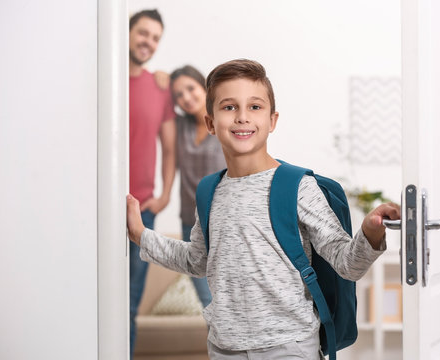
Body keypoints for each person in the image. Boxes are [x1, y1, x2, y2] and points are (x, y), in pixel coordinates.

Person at [126, 59, 400, 359]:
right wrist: (141, 235)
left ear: (272, 120)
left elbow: (347, 264)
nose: (242, 117)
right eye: (229, 107)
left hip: (289, 347)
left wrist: (371, 233)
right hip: (224, 348)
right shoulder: (208, 191)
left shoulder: (297, 186)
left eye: (255, 107)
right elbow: (198, 260)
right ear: (210, 123)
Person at [155, 65, 226, 307]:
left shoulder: (224, 120)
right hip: (190, 224)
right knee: (207, 302)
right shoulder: (179, 126)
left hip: (224, 223)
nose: (186, 98)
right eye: (178, 95)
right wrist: (160, 80)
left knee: (227, 301)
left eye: (190, 89)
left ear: (204, 86)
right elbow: (157, 107)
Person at [128, 9, 176, 357]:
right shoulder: (104, 78)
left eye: (155, 37)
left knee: (129, 304)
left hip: (143, 210)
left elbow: (170, 148)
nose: (149, 42)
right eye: (143, 33)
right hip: (95, 207)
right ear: (127, 33)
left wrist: (164, 197)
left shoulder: (160, 88)